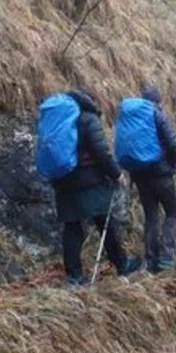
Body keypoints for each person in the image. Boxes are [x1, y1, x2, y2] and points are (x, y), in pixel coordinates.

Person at [53, 90, 137, 286]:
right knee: (105, 222)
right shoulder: (88, 119)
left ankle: (74, 276)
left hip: (63, 180)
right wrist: (116, 174)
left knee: (72, 228)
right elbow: (101, 152)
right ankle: (122, 264)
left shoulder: (59, 120)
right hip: (90, 179)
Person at [127, 84, 176, 272]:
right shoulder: (159, 115)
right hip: (162, 174)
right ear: (158, 100)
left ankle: (150, 260)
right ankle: (167, 256)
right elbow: (172, 142)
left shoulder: (133, 118)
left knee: (151, 217)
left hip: (140, 175)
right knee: (173, 212)